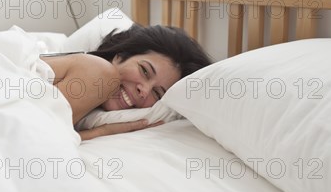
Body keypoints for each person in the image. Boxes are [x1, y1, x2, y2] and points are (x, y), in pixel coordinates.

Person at [41, 24, 212, 141]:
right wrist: (100, 132)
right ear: (120, 55)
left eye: (157, 93)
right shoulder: (99, 71)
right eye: (145, 71)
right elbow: (38, 134)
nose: (144, 91)